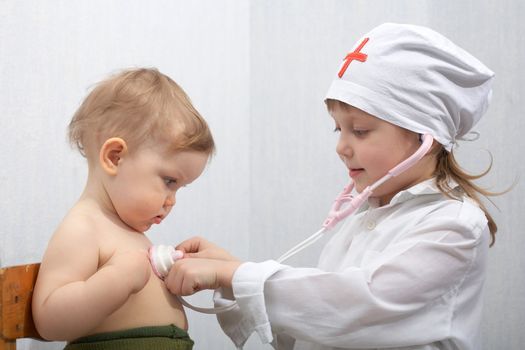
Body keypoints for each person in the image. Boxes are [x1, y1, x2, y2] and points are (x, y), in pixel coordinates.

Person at [164, 23, 498, 349]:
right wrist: (228, 269)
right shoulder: (361, 222)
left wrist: (234, 274)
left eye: (361, 130)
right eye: (338, 129)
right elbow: (314, 324)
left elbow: (358, 309)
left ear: (428, 137)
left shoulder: (455, 226)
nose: (342, 147)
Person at [32, 68, 215, 349]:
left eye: (179, 188)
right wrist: (116, 279)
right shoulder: (83, 228)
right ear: (115, 157)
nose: (172, 200)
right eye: (169, 181)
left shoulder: (128, 232)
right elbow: (49, 320)